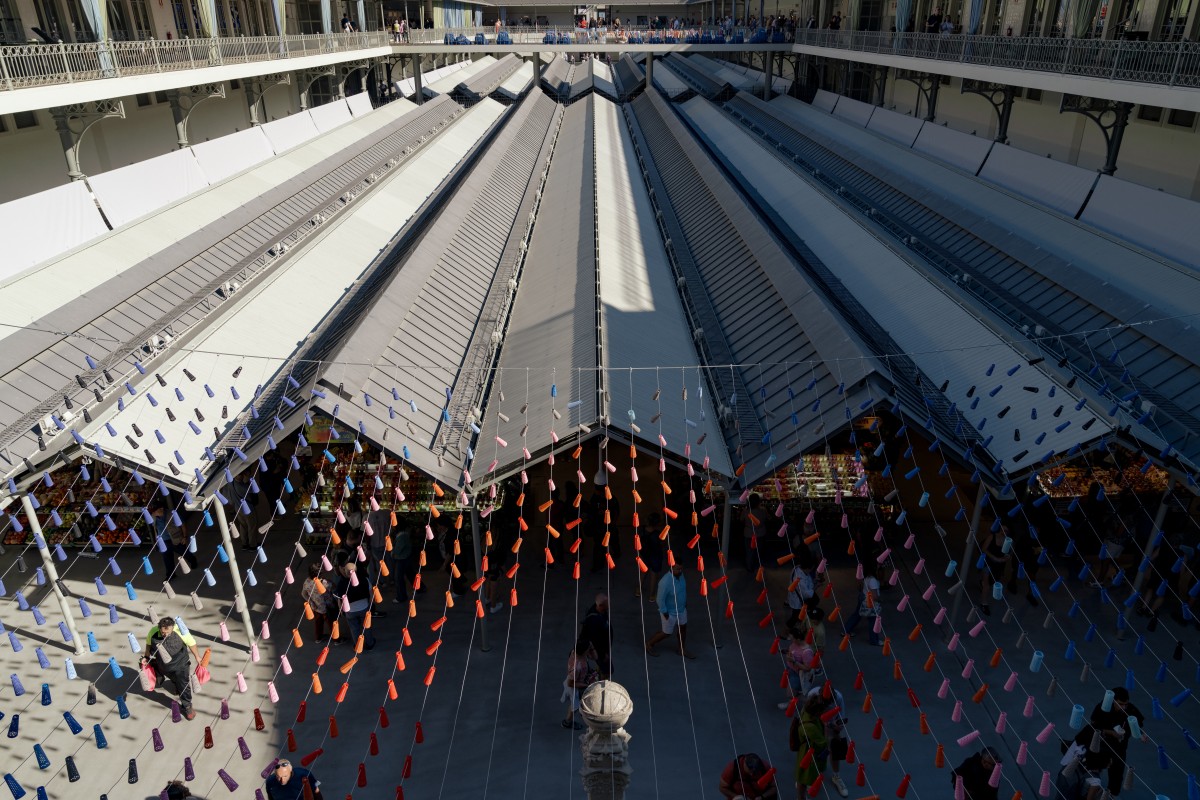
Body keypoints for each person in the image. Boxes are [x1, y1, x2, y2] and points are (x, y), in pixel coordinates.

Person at [1089, 687, 1147, 795]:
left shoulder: (1131, 709)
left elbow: (1137, 726)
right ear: (1113, 700)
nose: (1124, 707)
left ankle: (1111, 795)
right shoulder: (1103, 707)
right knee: (1093, 770)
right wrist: (1111, 733)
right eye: (1121, 704)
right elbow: (1093, 726)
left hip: (1120, 747)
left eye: (1126, 704)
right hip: (1102, 744)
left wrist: (1141, 735)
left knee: (1117, 775)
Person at [143, 617, 200, 720]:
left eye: (168, 632)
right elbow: (148, 645)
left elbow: (191, 643)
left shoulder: (181, 630)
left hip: (180, 663)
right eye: (163, 632)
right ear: (159, 628)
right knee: (174, 679)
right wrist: (146, 657)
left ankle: (187, 706)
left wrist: (197, 656)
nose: (165, 635)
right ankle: (175, 683)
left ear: (172, 628)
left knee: (183, 684)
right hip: (164, 665)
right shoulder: (153, 632)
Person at [808, 684, 849, 797]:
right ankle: (811, 776)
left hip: (831, 725)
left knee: (836, 746)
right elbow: (807, 714)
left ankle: (836, 777)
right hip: (815, 724)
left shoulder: (838, 697)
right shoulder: (812, 694)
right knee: (813, 749)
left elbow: (841, 717)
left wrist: (836, 727)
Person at [646, 563, 695, 658]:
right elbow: (660, 599)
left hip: (681, 609)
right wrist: (665, 612)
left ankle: (681, 649)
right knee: (666, 633)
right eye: (677, 569)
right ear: (671, 567)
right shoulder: (665, 582)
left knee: (683, 628)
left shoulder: (681, 575)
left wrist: (684, 603)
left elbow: (683, 590)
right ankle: (649, 643)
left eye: (681, 569)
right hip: (670, 612)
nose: (680, 571)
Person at [790, 694, 829, 799]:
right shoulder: (810, 727)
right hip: (810, 754)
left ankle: (801, 797)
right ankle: (801, 797)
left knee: (801, 776)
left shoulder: (805, 712)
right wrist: (826, 727)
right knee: (803, 778)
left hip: (805, 750)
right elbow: (823, 743)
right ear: (816, 712)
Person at [841, 562, 882, 645]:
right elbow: (874, 596)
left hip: (862, 596)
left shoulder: (866, 577)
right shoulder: (873, 580)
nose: (879, 566)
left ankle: (846, 630)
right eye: (877, 565)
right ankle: (874, 640)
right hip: (869, 600)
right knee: (873, 621)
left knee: (857, 614)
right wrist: (879, 600)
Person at [561, 638, 598, 729]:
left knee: (578, 704)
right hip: (574, 687)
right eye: (589, 648)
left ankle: (584, 714)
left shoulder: (577, 652)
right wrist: (587, 685)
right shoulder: (577, 667)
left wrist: (592, 647)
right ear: (585, 651)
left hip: (579, 682)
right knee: (575, 706)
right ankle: (567, 723)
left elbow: (595, 657)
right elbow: (570, 683)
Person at [978, 524, 1012, 616]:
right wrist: (995, 558)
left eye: (1006, 531)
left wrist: (1006, 558)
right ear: (999, 530)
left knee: (994, 580)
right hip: (988, 562)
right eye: (1002, 530)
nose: (1004, 532)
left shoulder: (1007, 540)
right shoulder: (991, 537)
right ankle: (984, 604)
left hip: (999, 565)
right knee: (987, 586)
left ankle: (982, 583)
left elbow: (1007, 553)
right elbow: (984, 549)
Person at [779, 625, 817, 709]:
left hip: (798, 675)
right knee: (793, 692)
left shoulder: (806, 652)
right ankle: (793, 702)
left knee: (791, 693)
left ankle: (811, 703)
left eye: (791, 638)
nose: (790, 639)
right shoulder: (795, 643)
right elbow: (792, 650)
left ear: (798, 639)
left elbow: (808, 668)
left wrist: (794, 661)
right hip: (791, 670)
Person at [580, 593, 612, 678]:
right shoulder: (593, 620)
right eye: (607, 603)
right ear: (601, 605)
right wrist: (603, 655)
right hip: (600, 651)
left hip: (604, 647)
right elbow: (596, 641)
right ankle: (601, 682)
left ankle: (599, 672)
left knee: (604, 667)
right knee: (607, 671)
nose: (609, 604)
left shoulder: (601, 610)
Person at [636, 511, 664, 601]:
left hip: (645, 555)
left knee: (643, 572)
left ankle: (638, 590)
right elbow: (661, 544)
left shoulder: (642, 530)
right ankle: (652, 595)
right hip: (655, 556)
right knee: (653, 574)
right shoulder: (658, 534)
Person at [301, 562, 328, 642]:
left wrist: (311, 603)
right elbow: (331, 589)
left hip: (315, 607)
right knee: (331, 623)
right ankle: (336, 639)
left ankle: (318, 638)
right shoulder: (323, 582)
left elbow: (303, 593)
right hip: (326, 607)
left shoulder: (307, 581)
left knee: (318, 623)